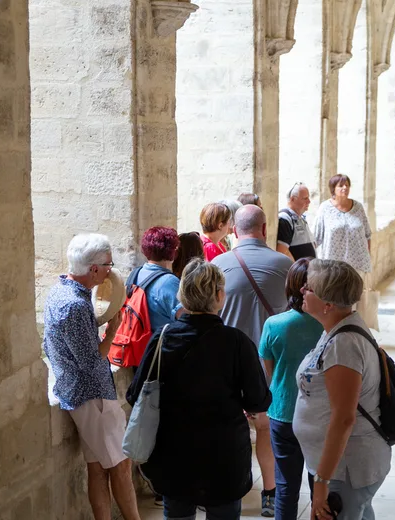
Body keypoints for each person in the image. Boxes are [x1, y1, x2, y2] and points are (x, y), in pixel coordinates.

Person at [126, 259, 272, 520]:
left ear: (183, 295)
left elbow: (135, 394)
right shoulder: (236, 342)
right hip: (223, 454)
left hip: (173, 452)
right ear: (218, 295)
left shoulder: (162, 338)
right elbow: (258, 400)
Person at [42, 234, 141, 520]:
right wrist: (112, 332)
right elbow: (91, 361)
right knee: (121, 466)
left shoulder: (59, 290)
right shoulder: (73, 304)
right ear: (94, 269)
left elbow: (49, 346)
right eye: (108, 264)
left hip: (77, 392)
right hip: (91, 395)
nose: (111, 270)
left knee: (97, 467)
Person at [293, 259, 390, 520]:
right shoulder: (337, 329)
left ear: (328, 304)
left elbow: (344, 418)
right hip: (343, 467)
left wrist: (322, 482)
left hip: (346, 471)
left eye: (309, 288)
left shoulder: (343, 345)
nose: (302, 290)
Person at [212, 205, 293, 516]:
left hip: (227, 364)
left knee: (227, 430)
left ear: (234, 231)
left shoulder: (218, 264)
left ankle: (224, 489)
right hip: (269, 364)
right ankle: (270, 494)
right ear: (264, 229)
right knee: (265, 428)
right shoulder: (284, 266)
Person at [259, 258, 323, 520]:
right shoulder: (327, 324)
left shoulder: (274, 324)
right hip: (319, 413)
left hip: (284, 410)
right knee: (320, 483)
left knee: (286, 486)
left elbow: (270, 370)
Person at [314, 174, 372, 274]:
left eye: (347, 185)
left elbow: (367, 234)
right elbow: (316, 237)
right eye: (341, 185)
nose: (345, 187)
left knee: (356, 289)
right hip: (333, 266)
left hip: (358, 264)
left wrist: (367, 256)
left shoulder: (358, 207)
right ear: (333, 189)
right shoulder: (324, 208)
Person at [135, 227, 184, 332]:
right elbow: (186, 318)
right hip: (160, 344)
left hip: (137, 343)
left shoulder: (135, 274)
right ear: (172, 252)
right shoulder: (169, 282)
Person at [277, 182, 316, 261]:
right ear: (292, 199)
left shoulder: (301, 218)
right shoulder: (285, 218)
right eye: (305, 198)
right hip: (299, 271)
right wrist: (297, 269)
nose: (309, 201)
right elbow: (282, 251)